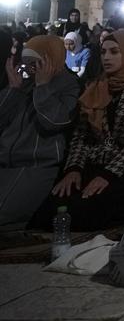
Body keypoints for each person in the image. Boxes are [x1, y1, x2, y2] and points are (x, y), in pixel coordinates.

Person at [37, 30, 124, 230]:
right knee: (55, 205)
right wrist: (74, 169)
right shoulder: (96, 86)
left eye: (114, 52)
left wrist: (108, 174)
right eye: (103, 52)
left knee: (85, 209)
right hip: (94, 162)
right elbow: (81, 135)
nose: (107, 57)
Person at [0, 36, 81, 229]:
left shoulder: (69, 85)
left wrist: (43, 87)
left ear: (49, 60)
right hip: (5, 163)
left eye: (33, 62)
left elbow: (54, 122)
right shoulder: (25, 82)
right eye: (25, 61)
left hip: (36, 166)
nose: (27, 67)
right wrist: (13, 89)